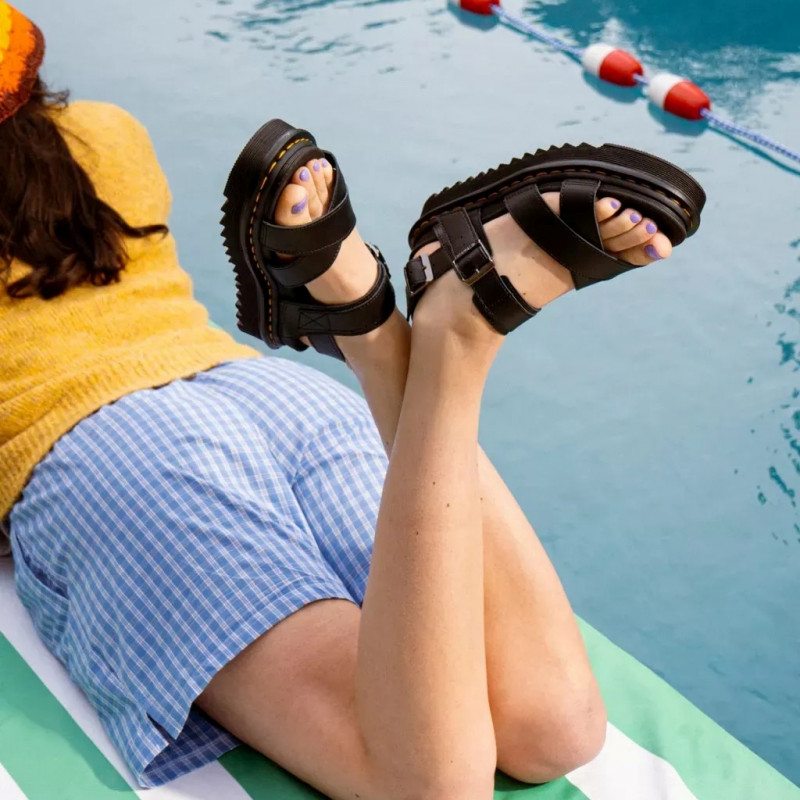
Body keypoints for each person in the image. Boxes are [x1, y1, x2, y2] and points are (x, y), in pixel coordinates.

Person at [1, 3, 701, 798]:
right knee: (556, 729)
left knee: (426, 783)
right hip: (274, 399)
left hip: (112, 462)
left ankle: (458, 342)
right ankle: (370, 333)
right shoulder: (107, 133)